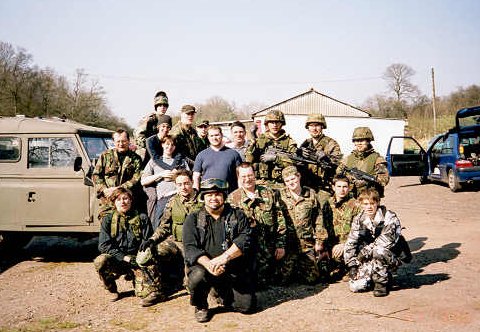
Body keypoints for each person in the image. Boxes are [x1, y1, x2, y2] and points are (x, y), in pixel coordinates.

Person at [183, 178, 256, 323]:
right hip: (205, 268)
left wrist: (224, 258)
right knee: (197, 275)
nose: (213, 198)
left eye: (217, 194)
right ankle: (200, 305)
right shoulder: (194, 218)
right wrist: (210, 264)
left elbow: (245, 240)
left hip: (232, 267)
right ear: (203, 197)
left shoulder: (237, 216)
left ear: (224, 196)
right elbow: (190, 248)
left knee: (247, 306)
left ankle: (222, 293)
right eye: (209, 195)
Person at [93, 187, 165, 307]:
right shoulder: (108, 219)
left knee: (145, 295)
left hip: (137, 260)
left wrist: (142, 257)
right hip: (118, 259)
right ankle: (111, 289)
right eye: (119, 199)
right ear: (114, 202)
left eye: (126, 198)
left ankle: (137, 279)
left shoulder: (142, 218)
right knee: (100, 261)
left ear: (131, 200)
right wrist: (124, 257)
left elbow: (148, 242)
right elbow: (104, 245)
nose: (123, 202)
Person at [140, 170, 202, 291]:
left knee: (193, 287)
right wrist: (152, 240)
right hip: (177, 242)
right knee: (148, 254)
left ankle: (186, 281)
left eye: (186, 183)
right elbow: (164, 226)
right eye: (179, 184)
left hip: (196, 245)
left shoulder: (203, 201)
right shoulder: (172, 202)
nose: (183, 187)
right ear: (175, 185)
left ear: (192, 182)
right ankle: (155, 290)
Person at [227, 162, 287, 288]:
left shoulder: (269, 193)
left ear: (254, 175)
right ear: (238, 178)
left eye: (250, 175)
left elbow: (280, 220)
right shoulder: (232, 199)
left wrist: (280, 245)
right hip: (246, 251)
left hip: (269, 249)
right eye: (243, 177)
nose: (247, 179)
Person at [343, 188, 407, 297]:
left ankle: (381, 284)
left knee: (379, 250)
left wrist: (363, 252)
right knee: (356, 286)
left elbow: (385, 242)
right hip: (369, 256)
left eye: (372, 203)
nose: (369, 207)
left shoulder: (389, 217)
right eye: (366, 204)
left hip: (390, 255)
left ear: (377, 203)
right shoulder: (359, 219)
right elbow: (351, 242)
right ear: (360, 205)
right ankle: (378, 276)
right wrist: (352, 265)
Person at [277, 166, 329, 284]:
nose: (291, 182)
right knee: (282, 280)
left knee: (312, 279)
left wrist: (319, 241)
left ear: (299, 176)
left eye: (293, 179)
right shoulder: (280, 195)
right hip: (288, 245)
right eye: (287, 180)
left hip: (306, 244)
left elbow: (318, 219)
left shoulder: (310, 194)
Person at [141, 135, 190, 229]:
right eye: (167, 144)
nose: (169, 147)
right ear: (162, 145)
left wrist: (178, 174)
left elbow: (189, 177)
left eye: (172, 145)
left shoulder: (181, 161)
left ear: (175, 147)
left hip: (180, 197)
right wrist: (160, 175)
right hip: (164, 199)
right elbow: (143, 181)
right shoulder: (154, 161)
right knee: (159, 226)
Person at [92, 129, 143, 219]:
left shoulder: (136, 159)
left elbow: (137, 177)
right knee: (107, 226)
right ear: (114, 142)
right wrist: (104, 190)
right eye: (118, 141)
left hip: (127, 202)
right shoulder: (105, 156)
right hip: (108, 201)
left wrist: (120, 189)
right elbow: (96, 175)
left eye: (123, 141)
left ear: (128, 141)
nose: (121, 144)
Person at [319, 175, 361, 279]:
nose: (342, 190)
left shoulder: (355, 205)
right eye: (339, 186)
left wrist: (344, 244)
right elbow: (321, 226)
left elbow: (360, 230)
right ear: (333, 187)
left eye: (345, 187)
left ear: (349, 187)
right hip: (332, 245)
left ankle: (349, 267)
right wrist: (321, 245)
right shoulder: (327, 204)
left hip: (349, 245)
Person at [245, 110, 297, 189]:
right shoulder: (259, 140)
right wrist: (252, 146)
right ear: (267, 124)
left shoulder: (289, 142)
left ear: (282, 124)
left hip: (283, 184)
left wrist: (276, 158)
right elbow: (248, 161)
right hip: (262, 185)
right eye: (272, 122)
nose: (275, 125)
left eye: (277, 122)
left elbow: (295, 163)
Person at [337, 127, 389, 197]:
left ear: (368, 141)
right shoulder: (348, 159)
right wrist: (350, 179)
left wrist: (367, 182)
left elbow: (384, 179)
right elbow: (337, 176)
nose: (359, 143)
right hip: (351, 198)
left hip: (369, 198)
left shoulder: (377, 159)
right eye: (356, 141)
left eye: (362, 140)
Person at [299, 114, 342, 192]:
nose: (314, 129)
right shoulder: (305, 144)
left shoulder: (331, 143)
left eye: (317, 125)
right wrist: (298, 154)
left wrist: (326, 159)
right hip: (307, 186)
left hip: (324, 187)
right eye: (311, 126)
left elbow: (338, 165)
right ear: (308, 128)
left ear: (322, 127)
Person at [193, 125, 242, 193]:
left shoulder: (233, 154)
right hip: (208, 195)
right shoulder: (201, 155)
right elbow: (196, 177)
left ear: (221, 135)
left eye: (216, 135)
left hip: (229, 194)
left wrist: (240, 192)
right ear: (208, 137)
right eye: (211, 136)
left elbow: (240, 176)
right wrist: (196, 192)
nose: (214, 138)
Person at [133, 91, 169, 162]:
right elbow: (138, 135)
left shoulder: (167, 120)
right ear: (156, 107)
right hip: (147, 155)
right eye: (160, 105)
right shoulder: (150, 119)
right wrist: (150, 145)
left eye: (164, 105)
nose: (162, 107)